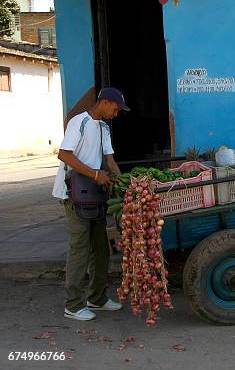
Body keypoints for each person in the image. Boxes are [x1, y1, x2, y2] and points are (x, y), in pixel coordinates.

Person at [52, 87, 130, 321]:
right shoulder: (80, 122)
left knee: (101, 248)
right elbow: (64, 155)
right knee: (80, 248)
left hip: (94, 195)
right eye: (115, 109)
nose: (116, 114)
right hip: (74, 193)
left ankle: (97, 298)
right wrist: (96, 176)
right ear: (104, 102)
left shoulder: (104, 127)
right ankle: (73, 305)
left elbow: (109, 160)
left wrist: (124, 183)